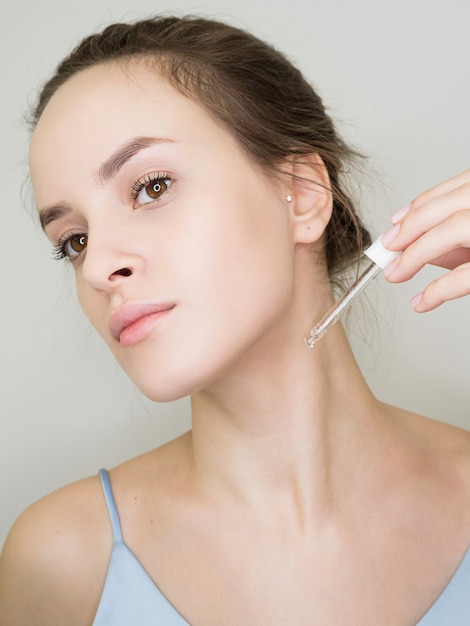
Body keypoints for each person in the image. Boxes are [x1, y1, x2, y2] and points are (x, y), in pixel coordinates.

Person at [0, 14, 469, 626]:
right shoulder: (62, 561)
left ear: (302, 194)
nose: (98, 267)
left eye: (152, 186)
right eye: (74, 239)